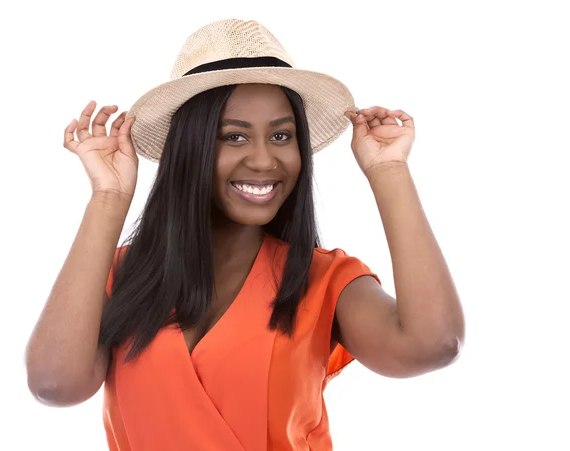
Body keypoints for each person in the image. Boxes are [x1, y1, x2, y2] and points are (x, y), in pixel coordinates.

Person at [24, 19, 465, 451]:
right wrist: (108, 199)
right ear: (190, 150)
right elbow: (54, 384)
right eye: (234, 137)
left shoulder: (325, 280)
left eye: (281, 135)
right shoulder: (123, 275)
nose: (262, 159)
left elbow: (433, 345)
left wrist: (389, 173)